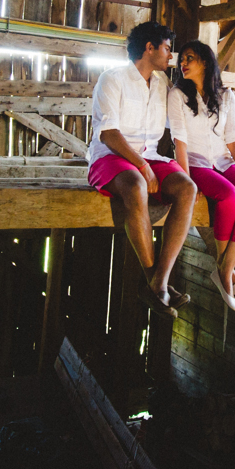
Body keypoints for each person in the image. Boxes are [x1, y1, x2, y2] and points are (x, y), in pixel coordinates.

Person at [87, 21, 197, 319]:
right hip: (111, 155)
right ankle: (155, 282)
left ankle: (158, 282)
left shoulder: (163, 84)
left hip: (148, 156)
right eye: (166, 48)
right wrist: (142, 166)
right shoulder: (112, 79)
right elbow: (108, 134)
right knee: (135, 184)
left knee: (188, 188)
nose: (170, 55)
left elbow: (184, 117)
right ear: (149, 48)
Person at [168, 39, 235, 312]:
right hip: (195, 164)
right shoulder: (177, 95)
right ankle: (225, 272)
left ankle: (224, 268)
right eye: (181, 60)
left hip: (222, 160)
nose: (182, 63)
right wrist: (186, 180)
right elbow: (179, 143)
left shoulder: (226, 96)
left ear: (205, 62)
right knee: (229, 196)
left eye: (189, 58)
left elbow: (233, 141)